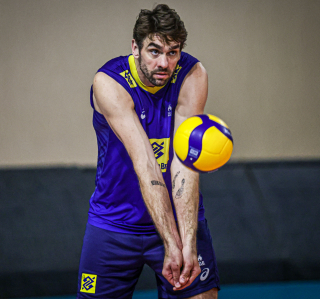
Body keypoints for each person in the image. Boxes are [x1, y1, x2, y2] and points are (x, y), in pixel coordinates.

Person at [77, 4, 220, 299]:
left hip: (181, 222)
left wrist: (187, 242)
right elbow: (146, 165)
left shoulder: (192, 75)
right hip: (114, 222)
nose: (164, 63)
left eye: (173, 52)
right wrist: (170, 241)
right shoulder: (109, 82)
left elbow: (185, 163)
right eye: (154, 51)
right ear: (135, 48)